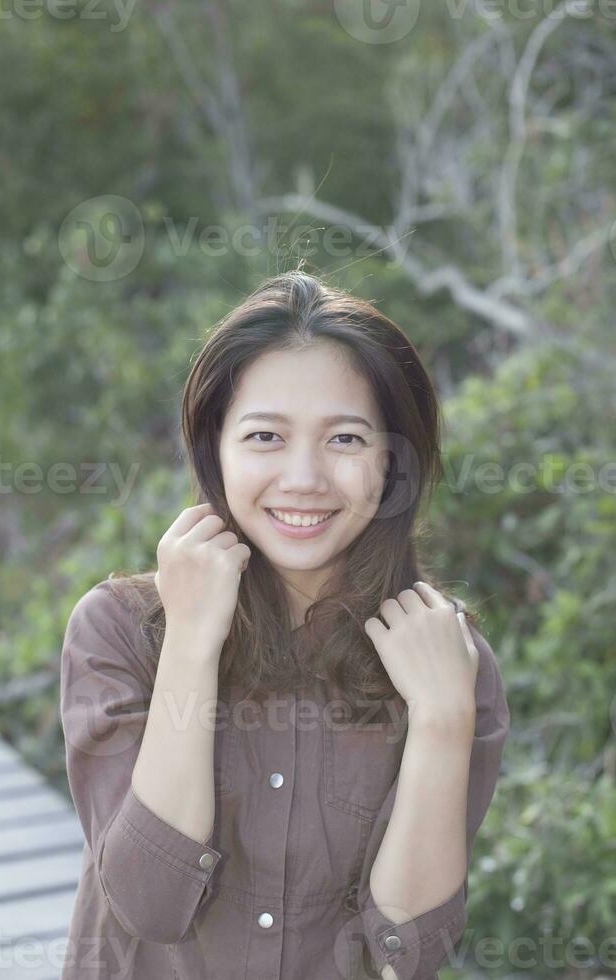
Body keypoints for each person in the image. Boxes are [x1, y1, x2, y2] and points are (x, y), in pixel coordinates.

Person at [59, 268, 510, 980]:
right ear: (216, 448)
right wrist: (192, 643)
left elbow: (406, 956)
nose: (303, 478)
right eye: (266, 435)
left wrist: (445, 717)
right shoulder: (118, 630)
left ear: (393, 460)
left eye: (346, 440)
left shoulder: (446, 661)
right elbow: (150, 905)